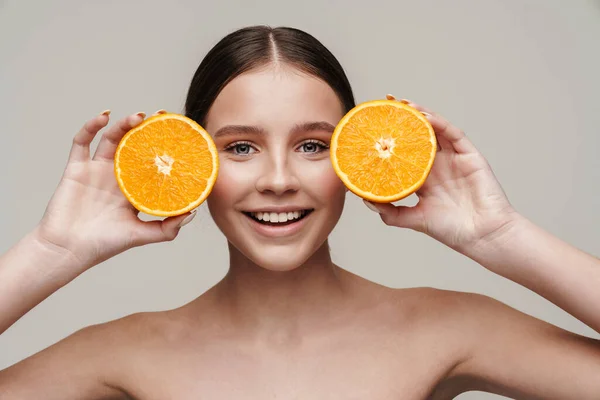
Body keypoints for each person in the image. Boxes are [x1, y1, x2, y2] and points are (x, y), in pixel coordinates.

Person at [0, 25, 599, 400]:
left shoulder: (448, 328)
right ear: (191, 163)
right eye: (240, 147)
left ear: (354, 157)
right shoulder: (123, 352)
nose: (280, 180)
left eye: (312, 145)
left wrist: (502, 235)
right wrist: (53, 253)